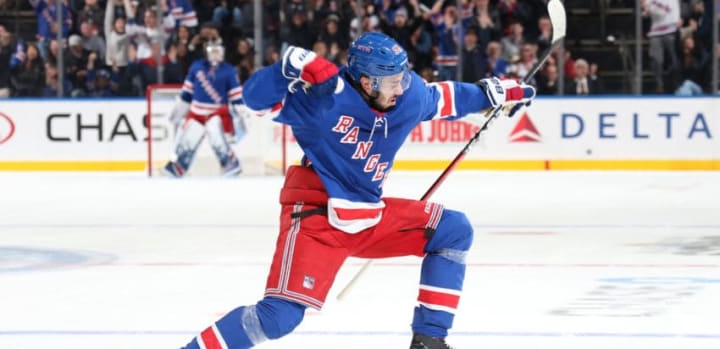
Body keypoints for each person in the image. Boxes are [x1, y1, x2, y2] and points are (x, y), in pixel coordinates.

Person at [179, 32, 535, 349]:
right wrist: (287, 66)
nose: (401, 87)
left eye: (402, 77)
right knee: (279, 318)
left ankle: (429, 341)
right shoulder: (324, 99)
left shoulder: (406, 95)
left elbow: (448, 98)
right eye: (392, 81)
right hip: (316, 215)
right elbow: (255, 103)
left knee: (454, 231)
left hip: (367, 214)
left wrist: (495, 92)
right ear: (366, 81)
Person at [163, 42, 244, 178]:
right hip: (196, 112)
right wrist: (178, 112)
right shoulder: (196, 67)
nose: (215, 55)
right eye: (213, 51)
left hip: (217, 112)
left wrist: (241, 116)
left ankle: (230, 162)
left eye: (218, 51)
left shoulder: (229, 70)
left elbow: (236, 97)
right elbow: (187, 94)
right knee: (189, 137)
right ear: (207, 52)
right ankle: (180, 165)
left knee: (216, 134)